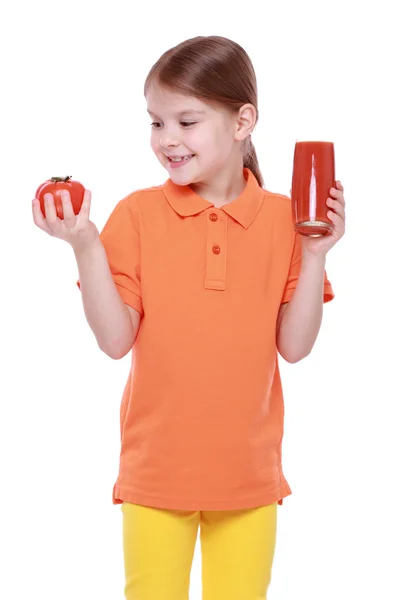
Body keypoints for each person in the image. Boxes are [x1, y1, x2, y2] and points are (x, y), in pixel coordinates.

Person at [32, 35, 346, 600]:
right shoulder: (138, 214)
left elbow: (294, 349)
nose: (167, 140)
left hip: (248, 480)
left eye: (186, 121)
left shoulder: (284, 220)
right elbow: (114, 340)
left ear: (243, 121)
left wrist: (317, 252)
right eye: (156, 123)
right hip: (155, 476)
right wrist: (84, 244)